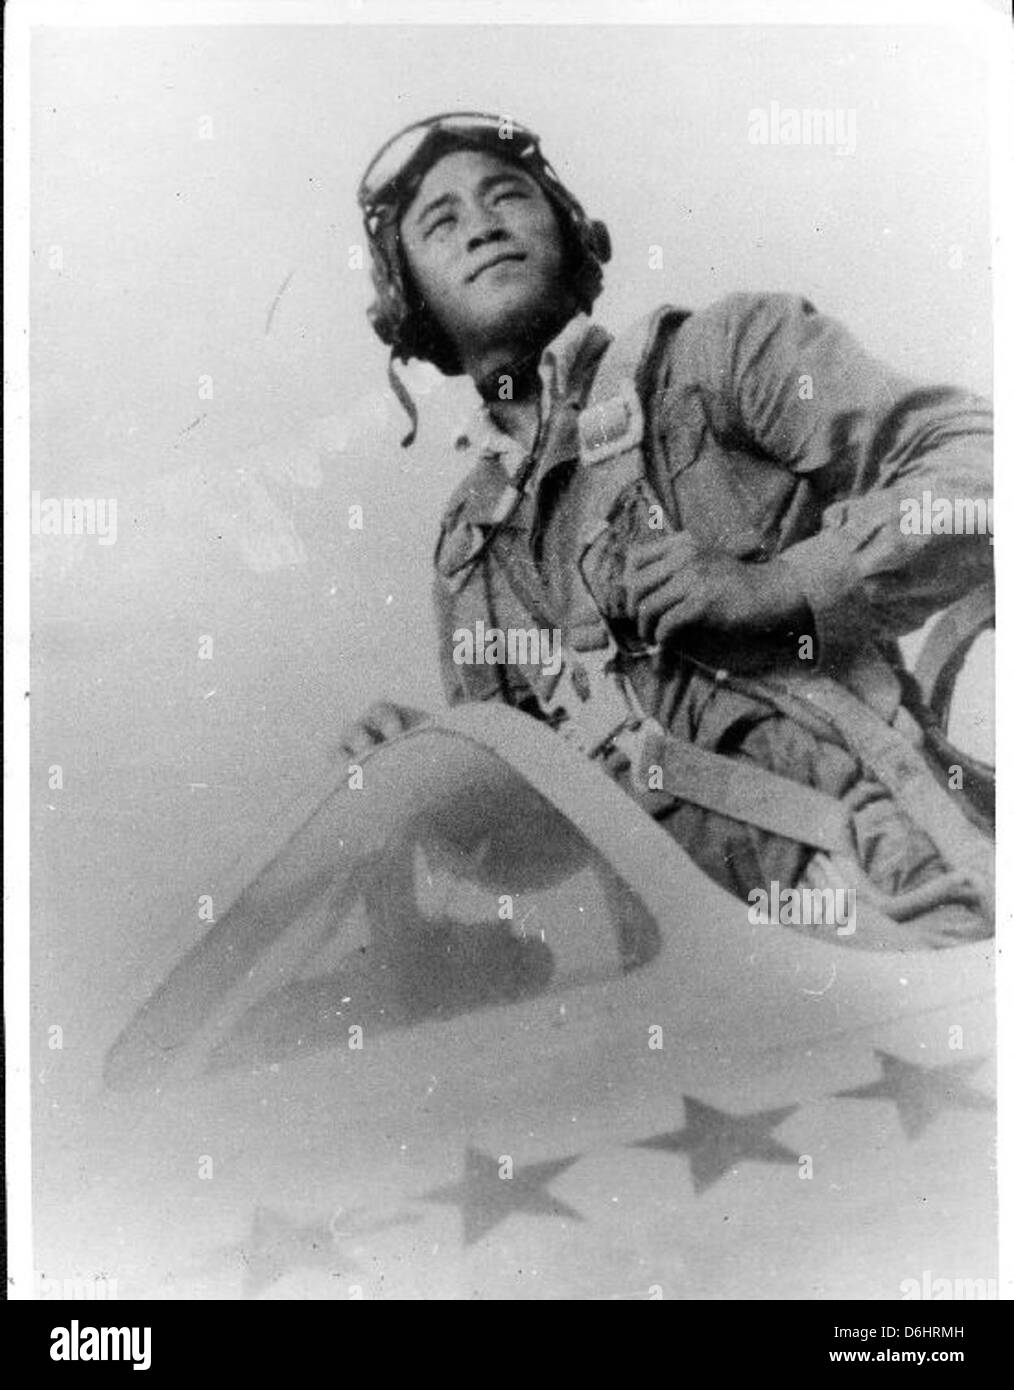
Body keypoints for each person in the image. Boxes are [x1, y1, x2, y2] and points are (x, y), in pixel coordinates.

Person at [341, 111, 994, 944]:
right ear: (412, 301)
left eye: (506, 196)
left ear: (571, 234)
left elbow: (979, 464)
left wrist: (786, 587)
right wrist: (430, 772)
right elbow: (535, 845)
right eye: (442, 222)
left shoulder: (721, 356)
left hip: (900, 883)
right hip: (698, 974)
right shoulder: (471, 550)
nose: (484, 226)